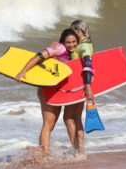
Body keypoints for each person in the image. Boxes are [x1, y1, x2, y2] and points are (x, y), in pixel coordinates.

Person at [15, 28, 79, 156]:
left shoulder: (77, 50)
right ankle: (44, 153)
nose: (71, 45)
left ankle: (72, 152)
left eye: (74, 42)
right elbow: (38, 57)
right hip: (49, 89)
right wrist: (23, 71)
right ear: (63, 42)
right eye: (68, 42)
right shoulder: (58, 48)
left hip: (63, 90)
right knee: (49, 123)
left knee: (64, 120)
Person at [51, 20, 94, 160]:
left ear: (78, 31)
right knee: (75, 118)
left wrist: (87, 85)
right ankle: (81, 151)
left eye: (72, 31)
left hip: (79, 86)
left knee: (69, 118)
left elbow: (88, 65)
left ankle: (78, 151)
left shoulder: (84, 47)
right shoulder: (84, 44)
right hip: (80, 84)